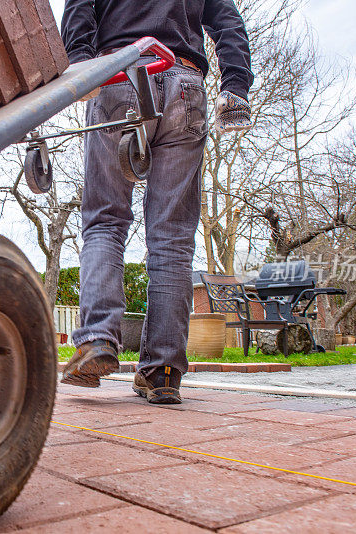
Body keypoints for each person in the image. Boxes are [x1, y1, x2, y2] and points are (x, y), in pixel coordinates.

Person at [60, 0, 253, 403]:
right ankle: (163, 371)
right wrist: (235, 84)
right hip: (185, 83)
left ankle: (97, 339)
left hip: (117, 75)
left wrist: (79, 60)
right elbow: (227, 20)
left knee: (105, 221)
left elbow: (81, 5)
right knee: (172, 239)